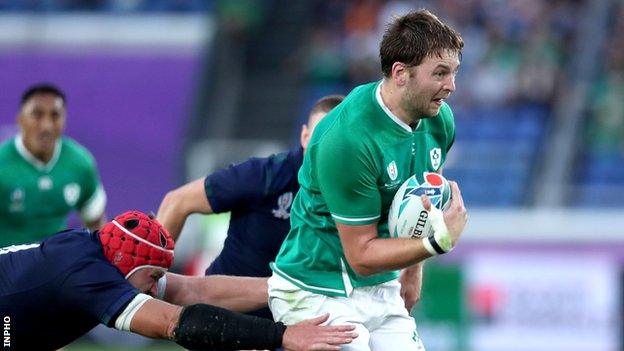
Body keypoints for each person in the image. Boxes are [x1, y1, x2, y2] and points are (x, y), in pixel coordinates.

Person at [268, 10, 468, 351]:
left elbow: (421, 198)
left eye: (453, 73)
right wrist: (436, 244)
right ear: (401, 73)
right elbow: (360, 253)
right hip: (314, 286)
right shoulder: (349, 140)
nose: (451, 86)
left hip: (379, 285)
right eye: (440, 74)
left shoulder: (439, 119)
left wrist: (414, 269)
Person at [0, 210, 357, 350]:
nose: (156, 287)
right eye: (154, 276)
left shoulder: (97, 254)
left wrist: (285, 289)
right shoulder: (87, 274)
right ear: (128, 259)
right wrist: (283, 334)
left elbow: (191, 289)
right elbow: (173, 323)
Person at [157, 95, 345, 321]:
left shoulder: (362, 190)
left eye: (337, 140)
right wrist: (149, 279)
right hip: (229, 316)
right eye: (319, 136)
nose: (325, 148)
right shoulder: (264, 175)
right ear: (305, 136)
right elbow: (177, 201)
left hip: (301, 320)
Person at [0, 84, 106, 247]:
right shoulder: (3, 163)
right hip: (6, 265)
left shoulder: (80, 163)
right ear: (20, 120)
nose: (46, 126)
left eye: (55, 116)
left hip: (56, 265)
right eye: (37, 115)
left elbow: (95, 221)